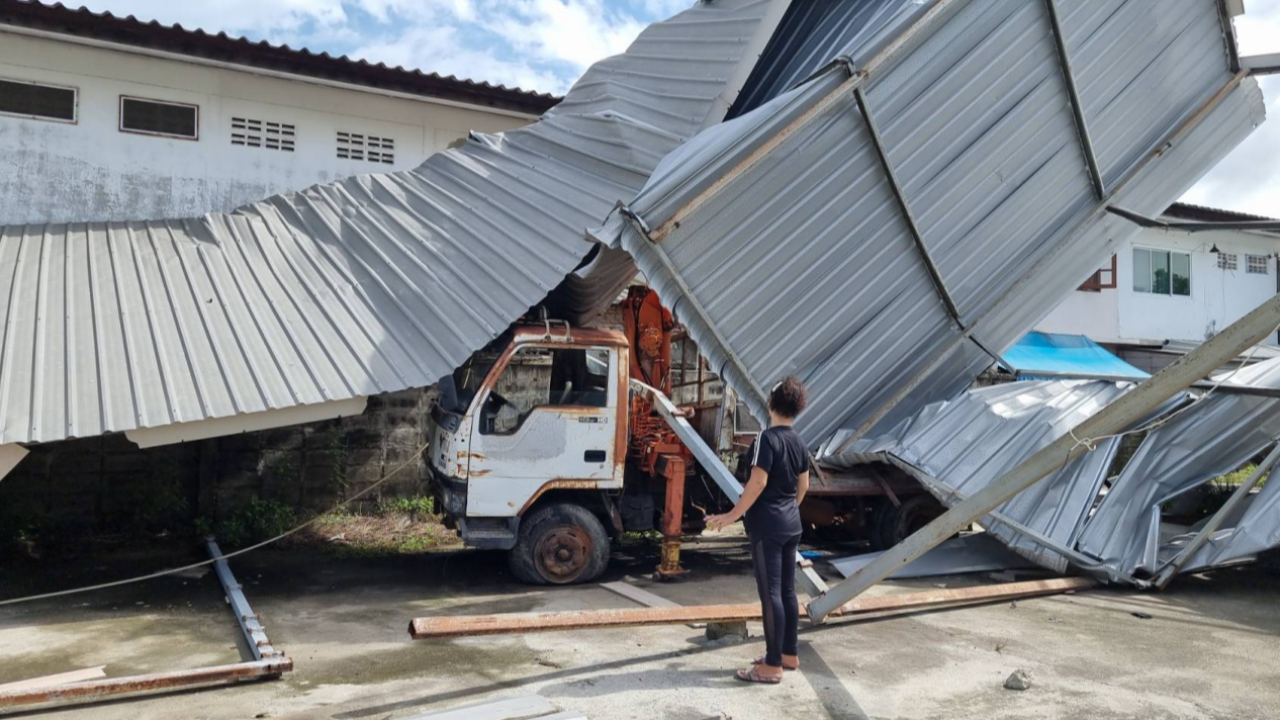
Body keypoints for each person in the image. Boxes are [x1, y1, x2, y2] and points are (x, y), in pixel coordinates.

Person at [706, 377, 810, 684]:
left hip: (767, 526)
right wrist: (789, 509)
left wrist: (733, 514)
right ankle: (789, 654)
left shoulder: (766, 438)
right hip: (792, 525)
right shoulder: (799, 442)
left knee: (770, 595)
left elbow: (758, 482)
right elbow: (803, 486)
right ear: (798, 408)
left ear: (771, 404)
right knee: (788, 592)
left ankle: (772, 665)